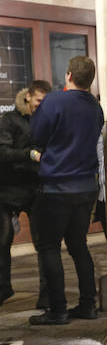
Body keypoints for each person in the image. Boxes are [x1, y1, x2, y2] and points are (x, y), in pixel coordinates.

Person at [28, 56, 104, 325]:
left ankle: (58, 310)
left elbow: (36, 135)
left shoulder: (54, 101)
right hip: (86, 187)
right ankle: (88, 305)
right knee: (78, 245)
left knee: (49, 248)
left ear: (69, 75)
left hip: (57, 187)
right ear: (90, 80)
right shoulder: (95, 107)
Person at [0, 80, 51, 307]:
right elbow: (3, 152)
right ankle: (3, 288)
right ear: (28, 96)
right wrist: (29, 154)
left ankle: (46, 295)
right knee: (2, 241)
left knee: (43, 244)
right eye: (38, 100)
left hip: (35, 187)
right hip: (7, 189)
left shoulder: (46, 120)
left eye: (45, 101)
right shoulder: (10, 120)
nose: (41, 105)